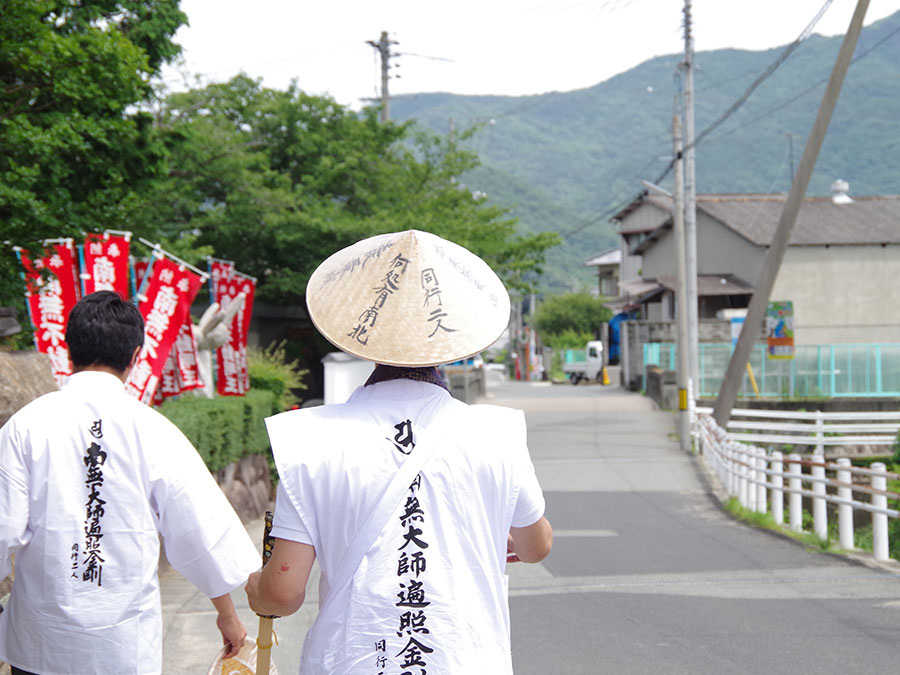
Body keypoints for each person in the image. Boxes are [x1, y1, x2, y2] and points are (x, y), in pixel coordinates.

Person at [245, 230, 552, 674]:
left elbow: (284, 592)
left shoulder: (311, 440)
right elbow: (536, 545)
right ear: (450, 341)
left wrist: (258, 590)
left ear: (361, 336)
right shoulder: (495, 432)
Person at [0, 291, 260, 675]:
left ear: (68, 348)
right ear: (136, 355)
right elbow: (197, 529)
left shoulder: (26, 426)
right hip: (122, 646)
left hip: (41, 642)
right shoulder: (154, 430)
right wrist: (227, 614)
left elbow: (3, 527)